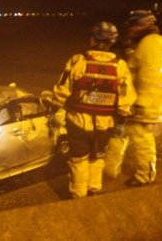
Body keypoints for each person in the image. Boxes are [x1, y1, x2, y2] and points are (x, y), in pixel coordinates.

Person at [51, 21, 136, 198]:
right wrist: (121, 121)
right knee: (97, 157)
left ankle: (78, 193)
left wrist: (54, 111)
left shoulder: (78, 60)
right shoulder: (119, 65)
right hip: (105, 124)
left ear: (92, 40)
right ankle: (94, 190)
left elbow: (62, 89)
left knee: (79, 159)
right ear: (112, 42)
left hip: (78, 121)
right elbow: (125, 98)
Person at [116, 10, 162, 187]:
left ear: (141, 25)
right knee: (137, 136)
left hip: (144, 102)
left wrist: (140, 103)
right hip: (151, 100)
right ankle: (143, 171)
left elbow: (150, 77)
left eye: (133, 26)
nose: (130, 30)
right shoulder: (156, 42)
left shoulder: (150, 44)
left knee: (141, 137)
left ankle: (144, 175)